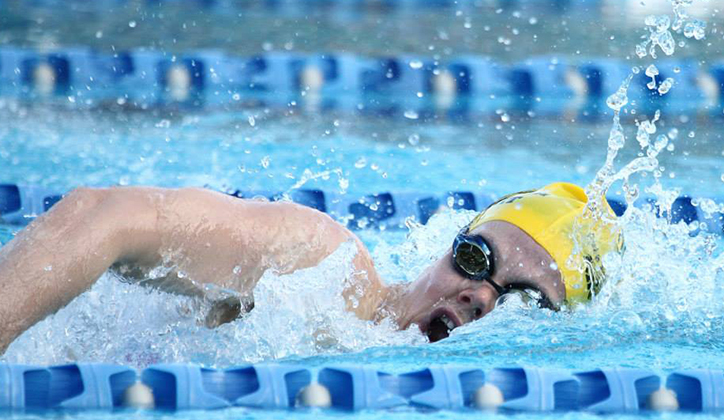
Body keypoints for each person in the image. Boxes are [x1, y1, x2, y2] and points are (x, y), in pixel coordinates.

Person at [0, 182, 620, 354]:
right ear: (447, 246)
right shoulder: (318, 266)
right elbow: (103, 214)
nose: (480, 297)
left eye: (524, 301)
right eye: (477, 259)